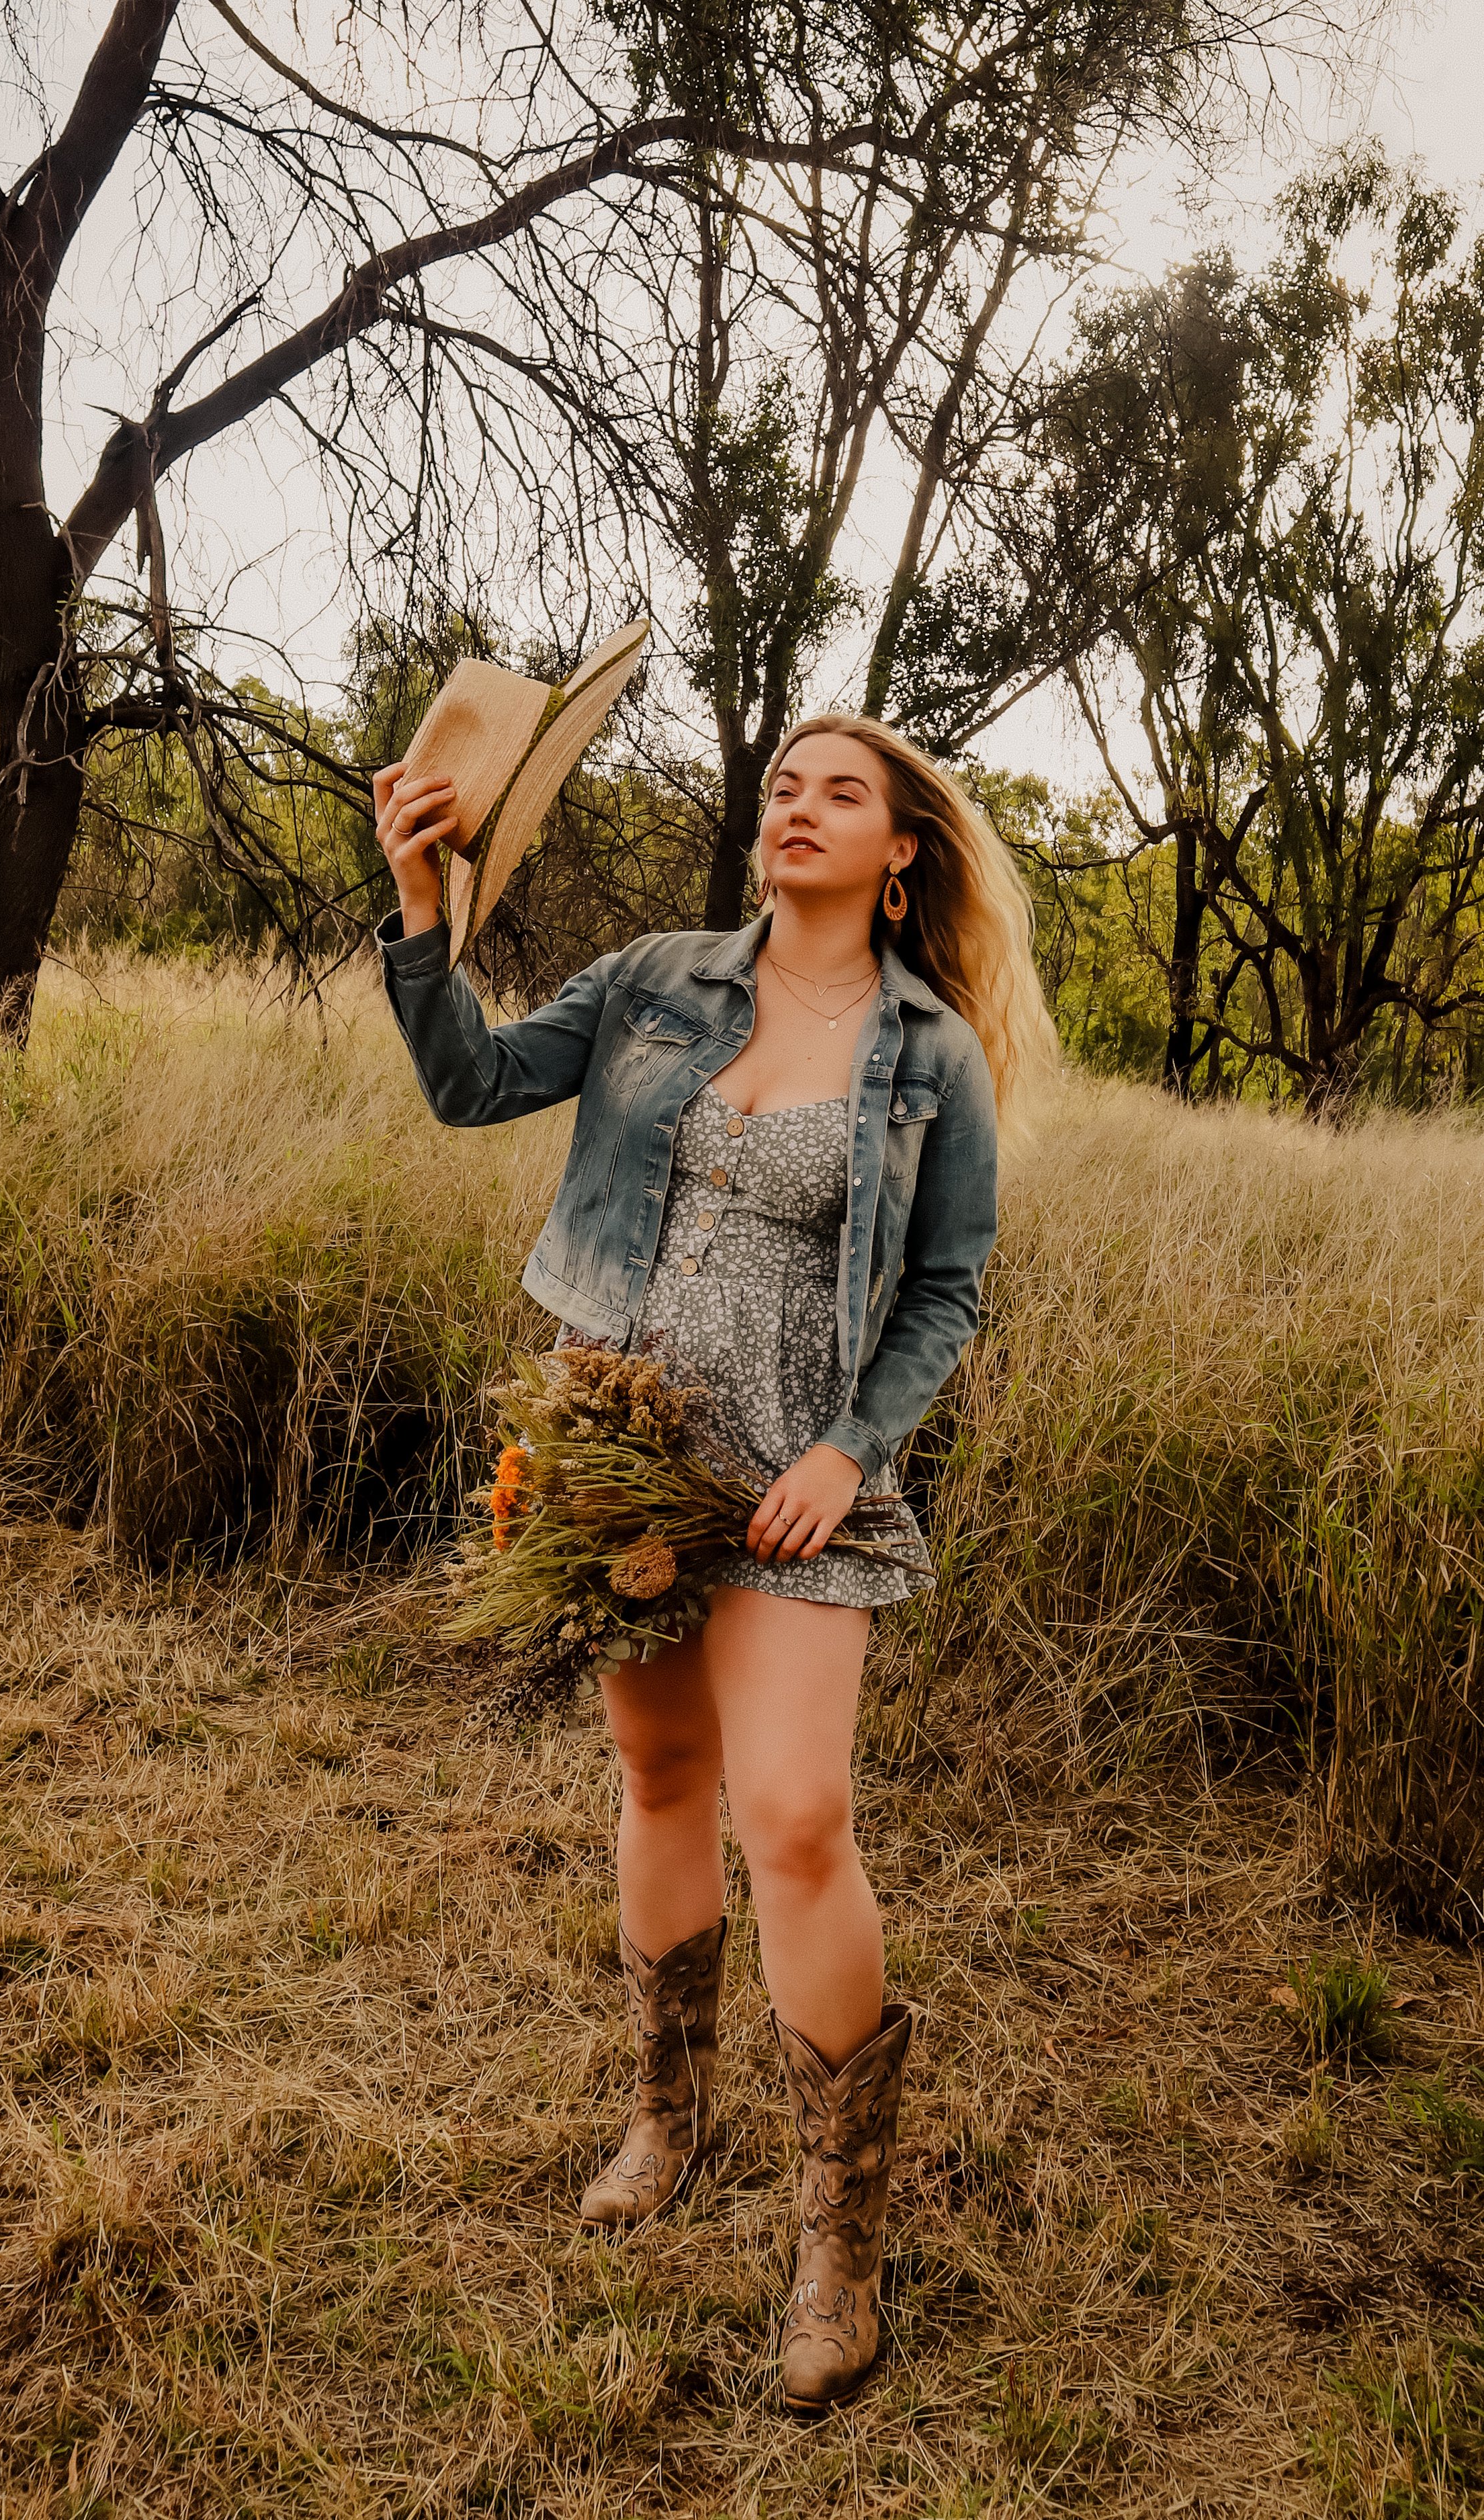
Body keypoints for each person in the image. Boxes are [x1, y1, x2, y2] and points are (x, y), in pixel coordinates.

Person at [373, 712, 1055, 2412]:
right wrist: (416, 901)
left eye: (841, 793)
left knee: (796, 1818)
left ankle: (839, 2244)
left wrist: (848, 1451)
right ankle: (664, 2116)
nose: (798, 809)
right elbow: (471, 1083)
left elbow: (949, 1287)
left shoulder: (928, 1055)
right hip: (629, 1462)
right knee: (659, 1777)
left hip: (799, 1488)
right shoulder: (657, 978)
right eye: (782, 788)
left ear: (903, 846)